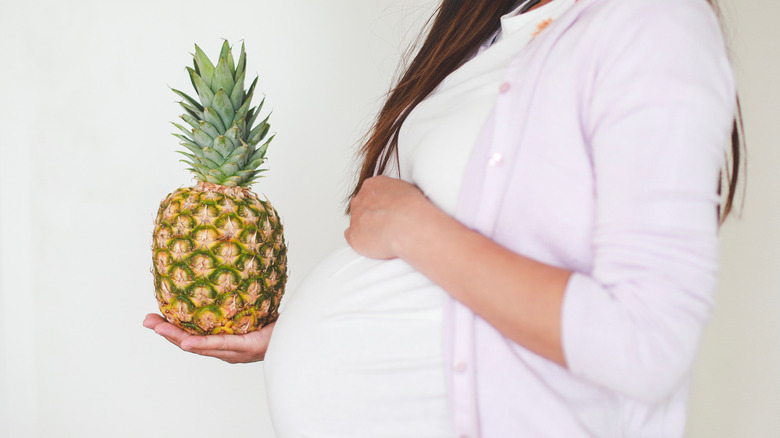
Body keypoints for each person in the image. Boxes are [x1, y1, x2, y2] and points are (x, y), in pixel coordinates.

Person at [145, 0, 743, 436]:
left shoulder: (654, 24)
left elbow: (647, 343)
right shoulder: (497, 31)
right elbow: (466, 284)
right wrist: (295, 334)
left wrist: (413, 228)